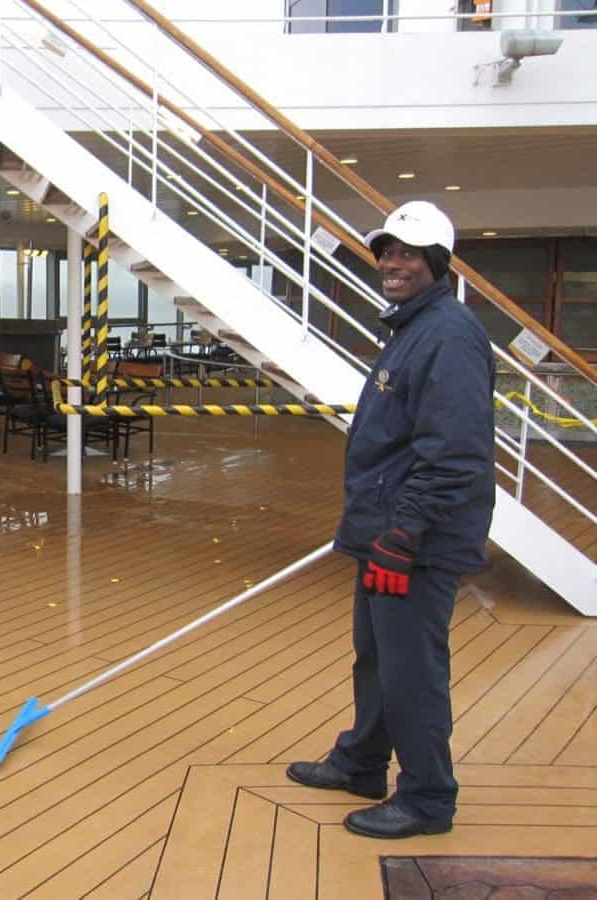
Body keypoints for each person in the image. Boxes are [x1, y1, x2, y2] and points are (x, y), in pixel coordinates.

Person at [286, 200, 496, 839]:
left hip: (415, 541)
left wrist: (405, 534)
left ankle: (429, 799)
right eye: (386, 251)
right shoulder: (410, 328)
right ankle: (363, 761)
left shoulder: (449, 335)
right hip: (385, 531)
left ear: (437, 262)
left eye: (408, 253)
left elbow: (454, 453)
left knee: (412, 670)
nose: (392, 264)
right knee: (376, 657)